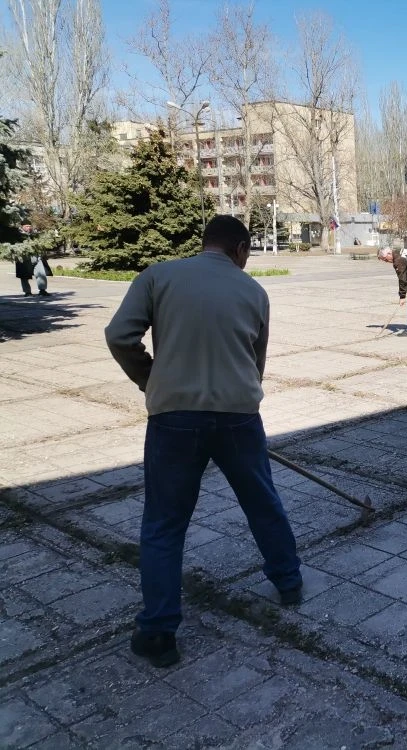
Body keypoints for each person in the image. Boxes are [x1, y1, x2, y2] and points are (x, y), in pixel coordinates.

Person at [105, 215, 302, 668]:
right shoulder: (254, 291)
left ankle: (158, 634)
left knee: (164, 524)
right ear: (241, 249)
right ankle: (289, 582)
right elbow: (256, 363)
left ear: (206, 243)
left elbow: (118, 335)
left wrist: (150, 377)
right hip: (238, 418)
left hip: (174, 419)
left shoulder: (158, 277)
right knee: (262, 502)